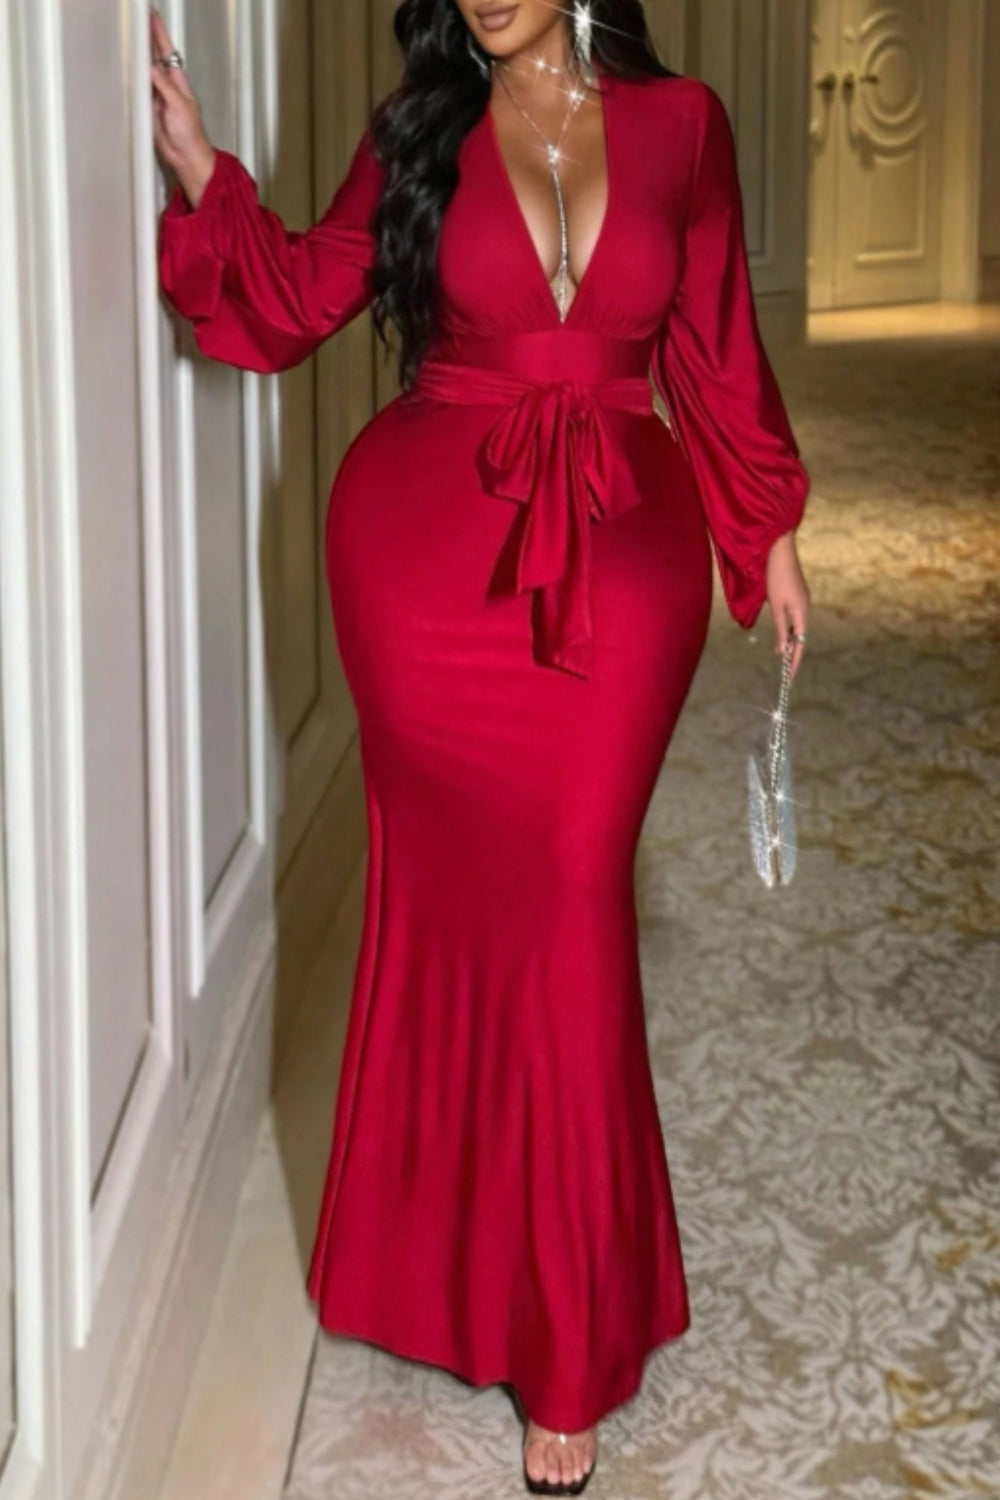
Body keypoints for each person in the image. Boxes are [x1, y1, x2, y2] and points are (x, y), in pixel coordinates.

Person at [151, 1, 810, 1492]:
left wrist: (765, 529)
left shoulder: (684, 126)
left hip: (623, 555)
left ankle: (566, 1329)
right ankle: (452, 1271)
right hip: (425, 564)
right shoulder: (420, 127)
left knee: (573, 892)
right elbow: (302, 293)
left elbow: (714, 347)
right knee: (457, 911)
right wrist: (203, 173)